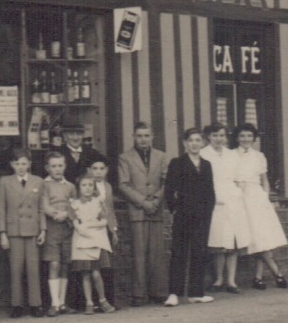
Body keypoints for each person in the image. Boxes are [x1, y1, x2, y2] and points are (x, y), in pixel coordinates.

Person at [116, 121, 170, 306]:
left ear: (152, 137)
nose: (143, 139)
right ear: (133, 137)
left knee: (157, 252)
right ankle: (139, 294)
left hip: (155, 208)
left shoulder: (161, 156)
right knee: (139, 253)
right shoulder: (125, 158)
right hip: (137, 210)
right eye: (139, 136)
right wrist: (142, 202)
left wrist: (155, 200)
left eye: (146, 135)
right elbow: (123, 184)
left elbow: (166, 181)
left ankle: (159, 291)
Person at [231, 122, 288, 289]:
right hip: (240, 197)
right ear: (236, 138)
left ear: (254, 138)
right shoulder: (231, 155)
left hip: (257, 198)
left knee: (261, 238)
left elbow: (265, 180)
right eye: (242, 136)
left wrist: (265, 197)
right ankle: (277, 273)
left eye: (249, 136)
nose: (246, 139)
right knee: (256, 238)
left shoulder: (259, 156)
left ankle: (258, 278)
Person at [162, 127, 216, 305]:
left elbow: (210, 192)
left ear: (202, 143)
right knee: (179, 253)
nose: (194, 144)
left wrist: (208, 213)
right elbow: (169, 190)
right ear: (185, 143)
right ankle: (174, 293)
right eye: (191, 140)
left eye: (197, 140)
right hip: (183, 215)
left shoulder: (207, 164)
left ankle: (196, 293)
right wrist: (175, 209)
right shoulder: (177, 163)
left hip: (202, 216)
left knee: (199, 252)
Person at [0, 149, 46, 318]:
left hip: (32, 230)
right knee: (15, 268)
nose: (21, 167)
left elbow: (40, 208)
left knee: (33, 268)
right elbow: (1, 209)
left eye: (24, 163)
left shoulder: (38, 181)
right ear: (12, 165)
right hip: (14, 230)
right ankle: (16, 304)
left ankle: (35, 304)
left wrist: (43, 230)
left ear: (30, 164)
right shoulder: (5, 182)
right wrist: (3, 233)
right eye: (17, 164)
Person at [207, 124, 253, 294]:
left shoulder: (232, 155)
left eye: (222, 135)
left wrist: (237, 192)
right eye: (215, 135)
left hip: (233, 202)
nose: (219, 139)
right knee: (218, 243)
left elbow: (240, 177)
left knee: (232, 243)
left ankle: (231, 281)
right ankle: (218, 279)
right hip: (214, 203)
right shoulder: (205, 154)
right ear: (209, 137)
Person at [70, 159, 119, 313]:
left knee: (98, 273)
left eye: (90, 185)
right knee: (85, 274)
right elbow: (74, 221)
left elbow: (106, 215)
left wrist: (110, 228)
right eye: (84, 185)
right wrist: (80, 226)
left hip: (97, 237)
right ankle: (89, 303)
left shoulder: (101, 197)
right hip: (82, 240)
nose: (87, 188)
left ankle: (103, 300)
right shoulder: (75, 204)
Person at [38, 149, 76, 317]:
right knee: (54, 263)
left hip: (67, 227)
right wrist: (56, 214)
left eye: (60, 165)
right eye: (53, 166)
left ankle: (62, 303)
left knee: (65, 265)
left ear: (65, 166)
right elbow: (44, 206)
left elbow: (75, 206)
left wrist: (67, 214)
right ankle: (53, 303)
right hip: (52, 227)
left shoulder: (70, 187)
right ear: (47, 168)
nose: (57, 169)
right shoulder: (44, 185)